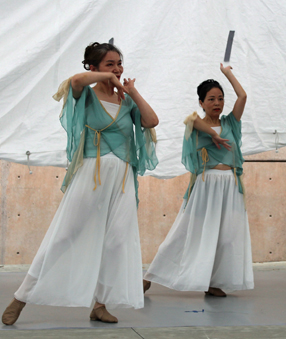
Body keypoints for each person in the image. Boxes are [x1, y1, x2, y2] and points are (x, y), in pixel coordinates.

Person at [1, 42, 158, 325]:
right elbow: (74, 80)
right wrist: (105, 77)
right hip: (91, 174)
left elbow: (151, 120)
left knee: (117, 241)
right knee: (65, 235)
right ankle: (21, 297)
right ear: (93, 67)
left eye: (119, 63)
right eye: (110, 64)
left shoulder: (126, 100)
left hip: (122, 178)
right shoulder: (85, 94)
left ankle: (100, 304)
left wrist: (132, 91)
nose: (117, 69)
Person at [143, 64, 253, 297]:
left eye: (220, 99)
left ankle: (212, 281)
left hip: (230, 185)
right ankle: (150, 275)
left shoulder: (232, 123)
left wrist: (228, 74)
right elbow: (191, 119)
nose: (217, 103)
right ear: (201, 102)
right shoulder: (197, 126)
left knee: (226, 237)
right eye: (211, 99)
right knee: (186, 231)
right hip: (206, 185)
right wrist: (214, 134)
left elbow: (242, 96)